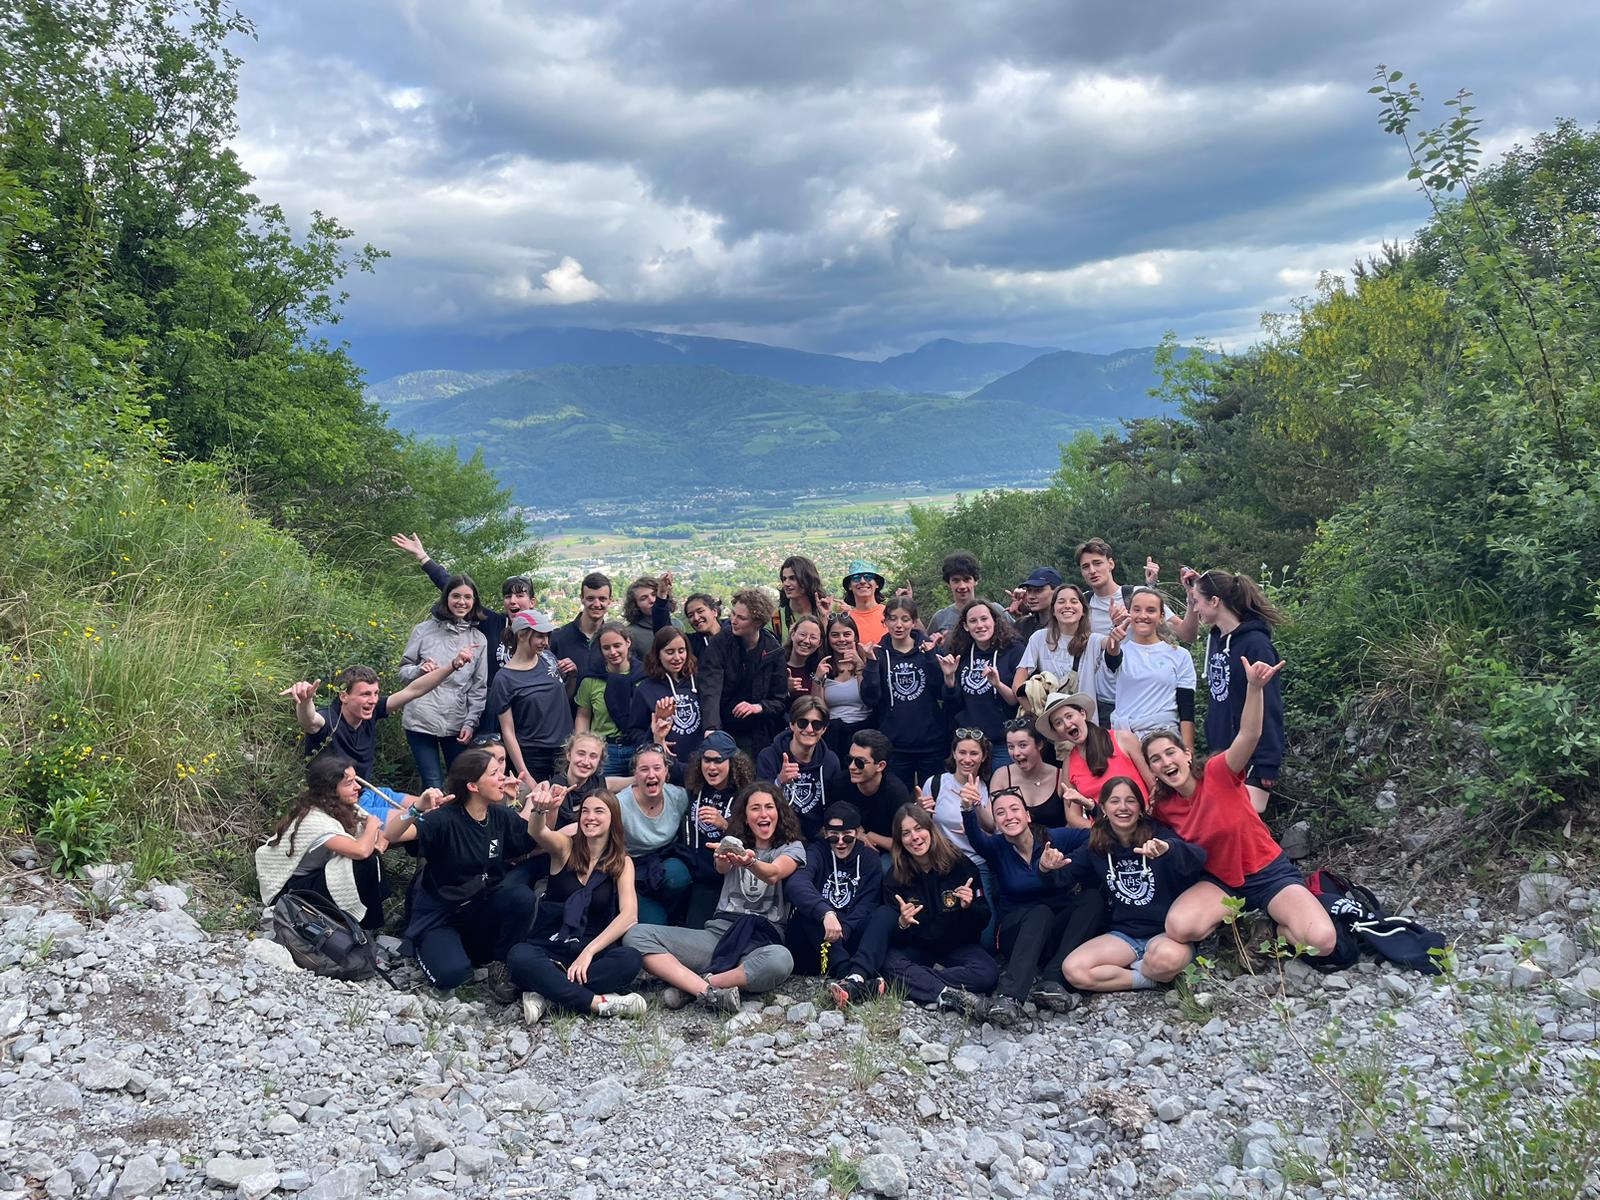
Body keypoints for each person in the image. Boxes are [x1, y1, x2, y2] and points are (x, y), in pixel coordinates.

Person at [1138, 656, 1337, 984]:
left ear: (1187, 755)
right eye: (1155, 760)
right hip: (1221, 881)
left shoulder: (1218, 772)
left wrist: (1255, 688)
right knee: (1179, 926)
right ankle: (1234, 925)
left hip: (1268, 872)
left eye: (1170, 753)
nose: (1165, 762)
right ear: (1152, 770)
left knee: (1322, 942)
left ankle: (1270, 927)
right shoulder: (1162, 806)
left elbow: (1249, 734)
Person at [625, 782, 806, 1012]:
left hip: (762, 939)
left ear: (779, 812)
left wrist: (748, 861)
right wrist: (724, 856)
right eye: (755, 808)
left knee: (781, 960)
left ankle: (696, 987)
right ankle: (709, 991)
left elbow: (774, 874)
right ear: (745, 816)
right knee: (636, 935)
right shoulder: (733, 841)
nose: (763, 814)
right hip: (719, 933)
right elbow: (721, 867)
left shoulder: (792, 847)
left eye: (769, 807)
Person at [381, 747, 539, 997]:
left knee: (521, 897)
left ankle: (499, 965)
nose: (503, 778)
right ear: (473, 786)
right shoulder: (443, 819)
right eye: (495, 773)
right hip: (441, 916)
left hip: (479, 910)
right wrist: (417, 809)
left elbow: (532, 838)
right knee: (452, 975)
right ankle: (428, 947)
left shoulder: (499, 815)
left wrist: (539, 806)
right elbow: (390, 836)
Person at [833, 804, 996, 1015]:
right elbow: (897, 938)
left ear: (930, 830)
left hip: (957, 946)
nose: (915, 837)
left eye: (919, 829)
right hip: (919, 948)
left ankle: (917, 982)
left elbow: (983, 920)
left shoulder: (960, 865)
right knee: (887, 962)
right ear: (900, 840)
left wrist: (970, 907)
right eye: (906, 833)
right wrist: (901, 924)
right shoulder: (894, 877)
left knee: (988, 973)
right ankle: (945, 993)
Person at [961, 786, 1102, 1025]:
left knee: (1092, 899)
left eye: (1015, 809)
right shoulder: (996, 848)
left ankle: (1052, 980)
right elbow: (975, 836)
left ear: (1028, 815)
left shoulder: (1053, 839)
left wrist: (1090, 807)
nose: (1009, 816)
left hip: (1053, 932)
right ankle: (1009, 997)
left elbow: (1098, 834)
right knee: (1040, 912)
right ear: (995, 822)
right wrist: (967, 808)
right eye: (1001, 813)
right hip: (1014, 933)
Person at [507, 783, 647, 1022]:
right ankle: (597, 1003)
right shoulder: (565, 847)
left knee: (631, 959)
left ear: (613, 818)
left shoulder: (622, 863)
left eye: (599, 811)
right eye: (585, 811)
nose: (590, 817)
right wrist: (540, 810)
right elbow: (538, 833)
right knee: (519, 956)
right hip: (551, 944)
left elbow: (629, 915)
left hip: (591, 948)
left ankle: (547, 992)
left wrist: (589, 952)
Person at [1059, 776, 1208, 993]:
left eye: (1130, 801)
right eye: (1114, 801)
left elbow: (1199, 858)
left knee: (1164, 960)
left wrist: (1169, 849)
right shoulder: (1097, 844)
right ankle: (1148, 979)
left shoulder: (1157, 834)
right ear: (1103, 808)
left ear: (1141, 808)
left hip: (1166, 933)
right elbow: (1065, 874)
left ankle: (1152, 970)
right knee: (1074, 970)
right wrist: (1047, 867)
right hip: (1125, 935)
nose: (1123, 807)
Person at [1183, 569, 1286, 814]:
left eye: (1197, 602)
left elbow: (1270, 703)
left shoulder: (1256, 645)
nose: (1195, 609)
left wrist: (1267, 763)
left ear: (1215, 601)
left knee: (1245, 819)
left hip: (1251, 757)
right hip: (1221, 754)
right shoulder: (1217, 640)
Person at [256, 755, 389, 929]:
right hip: (290, 891)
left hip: (312, 878)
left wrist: (374, 840)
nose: (358, 787)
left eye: (356, 781)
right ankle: (360, 925)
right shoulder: (316, 820)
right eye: (349, 784)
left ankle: (362, 922)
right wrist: (372, 828)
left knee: (371, 856)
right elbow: (361, 850)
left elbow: (381, 839)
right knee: (365, 861)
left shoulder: (340, 810)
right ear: (331, 790)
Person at [287, 657, 470, 782]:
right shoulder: (329, 719)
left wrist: (452, 665)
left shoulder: (371, 712)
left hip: (364, 793)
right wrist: (305, 700)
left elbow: (414, 690)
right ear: (343, 696)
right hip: (333, 802)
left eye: (376, 693)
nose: (373, 700)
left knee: (427, 808)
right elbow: (310, 721)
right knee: (411, 821)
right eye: (366, 694)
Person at [389, 532, 535, 681]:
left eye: (520, 596)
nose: (512, 601)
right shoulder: (493, 623)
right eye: (508, 596)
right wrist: (423, 557)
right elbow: (454, 589)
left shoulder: (542, 633)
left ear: (532, 602)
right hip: (494, 699)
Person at [397, 574, 491, 793]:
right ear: (445, 598)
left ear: (474, 601)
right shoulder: (423, 630)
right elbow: (403, 672)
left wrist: (470, 722)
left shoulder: (478, 639)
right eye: (456, 596)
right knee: (433, 785)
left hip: (456, 721)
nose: (462, 602)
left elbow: (478, 687)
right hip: (420, 718)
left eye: (468, 597)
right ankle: (428, 824)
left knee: (462, 784)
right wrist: (419, 670)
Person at [1076, 538, 1182, 727]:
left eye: (1097, 563)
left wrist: (1192, 596)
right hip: (1103, 702)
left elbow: (1184, 632)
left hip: (1145, 697)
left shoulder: (1137, 595)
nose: (1092, 570)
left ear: (1111, 563)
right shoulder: (1081, 605)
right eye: (1085, 566)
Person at [786, 801, 884, 979]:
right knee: (806, 911)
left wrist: (842, 930)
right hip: (816, 944)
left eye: (847, 836)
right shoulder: (816, 851)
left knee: (884, 914)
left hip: (848, 937)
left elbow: (866, 905)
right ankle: (849, 975)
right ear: (825, 833)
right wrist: (826, 914)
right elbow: (796, 883)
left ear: (858, 833)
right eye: (833, 836)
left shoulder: (870, 859)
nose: (840, 842)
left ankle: (854, 975)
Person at [676, 731, 756, 928]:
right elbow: (665, 766)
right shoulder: (695, 785)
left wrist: (725, 824)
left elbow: (753, 838)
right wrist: (659, 739)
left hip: (724, 878)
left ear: (732, 762)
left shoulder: (745, 795)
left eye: (718, 761)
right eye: (707, 760)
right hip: (693, 870)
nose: (711, 767)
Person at [700, 588, 788, 754]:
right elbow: (710, 686)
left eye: (741, 618)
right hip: (724, 724)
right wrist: (712, 727)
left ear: (757, 623)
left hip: (758, 731)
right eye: (733, 614)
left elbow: (780, 700)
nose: (733, 620)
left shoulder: (773, 650)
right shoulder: (720, 643)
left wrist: (758, 707)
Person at [491, 610, 575, 783]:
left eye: (547, 636)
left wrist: (572, 676)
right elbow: (508, 731)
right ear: (522, 634)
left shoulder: (549, 659)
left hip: (564, 750)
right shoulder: (504, 679)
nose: (545, 642)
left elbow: (561, 699)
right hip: (533, 755)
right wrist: (526, 775)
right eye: (540, 636)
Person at [1107, 587, 1196, 750]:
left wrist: (1188, 753)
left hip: (1164, 740)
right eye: (1137, 610)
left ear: (1161, 617)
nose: (1143, 616)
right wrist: (1114, 636)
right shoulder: (1120, 651)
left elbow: (1186, 708)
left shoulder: (1180, 656)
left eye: (1151, 610)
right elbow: (1111, 659)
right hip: (1124, 742)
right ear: (1129, 613)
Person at [939, 600, 1025, 768]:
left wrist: (998, 684)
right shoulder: (959, 652)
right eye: (973, 621)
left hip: (1002, 744)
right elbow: (953, 706)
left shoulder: (1014, 650)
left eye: (984, 619)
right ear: (965, 626)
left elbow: (1016, 701)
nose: (980, 625)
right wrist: (949, 679)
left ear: (994, 620)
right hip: (969, 745)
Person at [873, 596, 947, 789]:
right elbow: (870, 697)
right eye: (893, 618)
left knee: (933, 801)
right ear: (885, 621)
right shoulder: (879, 654)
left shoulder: (929, 649)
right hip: (895, 744)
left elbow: (941, 691)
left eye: (905, 619)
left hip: (930, 743)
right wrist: (871, 665)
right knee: (900, 803)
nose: (899, 625)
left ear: (914, 622)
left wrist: (931, 657)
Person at [615, 744, 693, 925]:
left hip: (665, 861)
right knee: (655, 923)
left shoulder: (678, 797)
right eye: (644, 769)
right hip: (632, 869)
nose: (651, 775)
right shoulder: (620, 804)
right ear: (635, 774)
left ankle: (673, 913)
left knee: (678, 876)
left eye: (657, 768)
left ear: (666, 772)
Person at [1036, 690, 1153, 811]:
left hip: (1142, 821)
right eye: (1058, 723)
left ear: (1082, 714)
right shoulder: (1068, 764)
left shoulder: (1123, 739)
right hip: (1101, 826)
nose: (1067, 724)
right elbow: (1073, 817)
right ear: (1057, 731)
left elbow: (1154, 786)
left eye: (1069, 716)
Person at [1012, 584, 1119, 711]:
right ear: (1053, 610)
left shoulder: (1093, 641)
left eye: (1074, 601)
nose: (1067, 606)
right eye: (1061, 602)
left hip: (1084, 721)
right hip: (1050, 721)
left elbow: (1112, 647)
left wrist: (1117, 626)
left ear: (1083, 611)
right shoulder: (1039, 638)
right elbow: (1017, 685)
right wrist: (1037, 715)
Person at [756, 695, 843, 840]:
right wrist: (779, 782)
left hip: (816, 838)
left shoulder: (831, 761)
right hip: (777, 836)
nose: (809, 729)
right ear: (792, 724)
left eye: (816, 725)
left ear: (824, 729)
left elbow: (834, 806)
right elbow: (757, 802)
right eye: (803, 723)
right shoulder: (769, 756)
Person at [628, 626, 706, 772]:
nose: (677, 658)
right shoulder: (645, 689)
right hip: (666, 769)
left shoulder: (700, 682)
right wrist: (655, 738)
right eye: (670, 652)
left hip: (702, 767)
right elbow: (635, 731)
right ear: (658, 655)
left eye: (681, 651)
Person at [574, 622, 644, 776]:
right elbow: (583, 715)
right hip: (604, 750)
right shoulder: (591, 679)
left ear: (628, 642)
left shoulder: (645, 676)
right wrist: (580, 745)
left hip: (638, 747)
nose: (613, 652)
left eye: (617, 645)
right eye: (606, 648)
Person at [813, 612, 882, 757]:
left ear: (855, 637)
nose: (841, 639)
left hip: (864, 732)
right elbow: (818, 707)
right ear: (828, 639)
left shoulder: (867, 662)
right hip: (833, 733)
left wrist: (860, 666)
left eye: (847, 634)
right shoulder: (823, 666)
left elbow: (869, 698)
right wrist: (818, 679)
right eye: (835, 635)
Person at [833, 730, 911, 854]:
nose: (852, 767)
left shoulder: (896, 793)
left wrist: (872, 837)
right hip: (848, 845)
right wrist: (857, 833)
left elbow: (908, 843)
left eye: (860, 762)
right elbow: (830, 824)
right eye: (850, 760)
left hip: (886, 852)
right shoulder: (840, 783)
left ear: (880, 766)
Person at [988, 717, 1072, 829]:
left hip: (1056, 843)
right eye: (1010, 747)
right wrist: (975, 806)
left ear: (1039, 744)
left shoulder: (1061, 777)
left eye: (1023, 745)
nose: (1016, 753)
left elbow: (1072, 822)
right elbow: (990, 824)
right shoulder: (1001, 776)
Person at [549, 571, 614, 694]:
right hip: (567, 710)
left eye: (602, 599)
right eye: (590, 598)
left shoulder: (613, 641)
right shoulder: (558, 638)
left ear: (610, 600)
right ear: (582, 599)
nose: (597, 604)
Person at [928, 550, 1012, 641]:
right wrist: (937, 648)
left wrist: (1023, 610)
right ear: (948, 583)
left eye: (967, 579)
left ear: (976, 581)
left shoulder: (996, 610)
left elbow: (1021, 637)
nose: (962, 586)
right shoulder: (940, 618)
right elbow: (923, 646)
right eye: (956, 581)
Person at [622, 574, 677, 662]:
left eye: (654, 594)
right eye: (644, 598)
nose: (652, 600)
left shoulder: (677, 625)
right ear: (636, 605)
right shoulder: (631, 634)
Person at [775, 556, 830, 641]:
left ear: (807, 580)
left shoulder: (827, 613)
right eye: (784, 579)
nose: (786, 583)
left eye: (792, 578)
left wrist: (824, 620)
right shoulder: (776, 619)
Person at [840, 560, 888, 647]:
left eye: (868, 577)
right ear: (850, 586)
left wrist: (910, 609)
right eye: (856, 578)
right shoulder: (845, 619)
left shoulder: (890, 613)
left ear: (876, 584)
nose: (862, 581)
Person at [1011, 567, 1063, 640]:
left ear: (1057, 591)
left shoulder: (1067, 625)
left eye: (1038, 590)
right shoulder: (1022, 625)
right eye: (1029, 590)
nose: (1031, 596)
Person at [782, 614, 826, 698]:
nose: (806, 641)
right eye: (802, 634)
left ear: (819, 643)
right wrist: (784, 688)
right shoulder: (776, 664)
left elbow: (820, 706)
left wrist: (817, 680)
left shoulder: (819, 669)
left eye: (813, 637)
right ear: (792, 635)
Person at [683, 592, 728, 660]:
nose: (696, 618)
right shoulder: (691, 643)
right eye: (690, 615)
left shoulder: (734, 632)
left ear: (714, 612)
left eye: (700, 611)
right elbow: (666, 635)